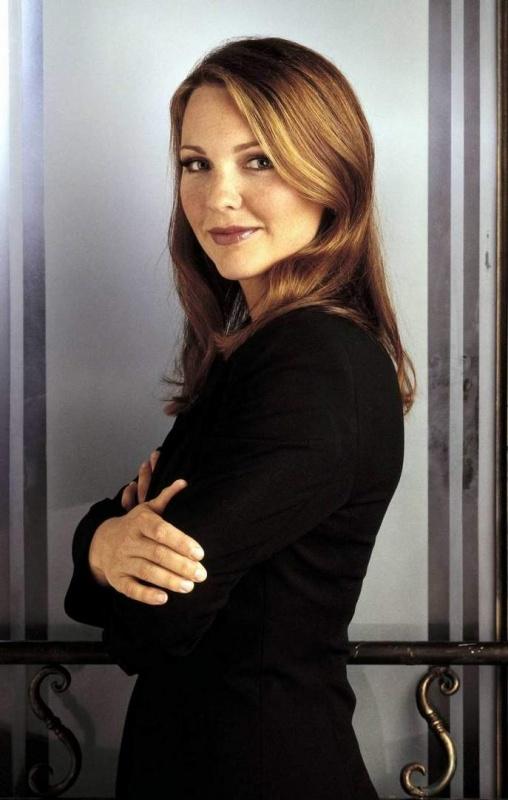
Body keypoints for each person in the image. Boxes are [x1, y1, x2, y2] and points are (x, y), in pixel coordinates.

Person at [64, 35, 416, 799]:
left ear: (333, 174)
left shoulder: (314, 360)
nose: (219, 195)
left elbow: (155, 623)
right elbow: (133, 558)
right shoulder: (259, 355)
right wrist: (102, 544)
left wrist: (108, 547)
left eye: (259, 160)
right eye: (196, 163)